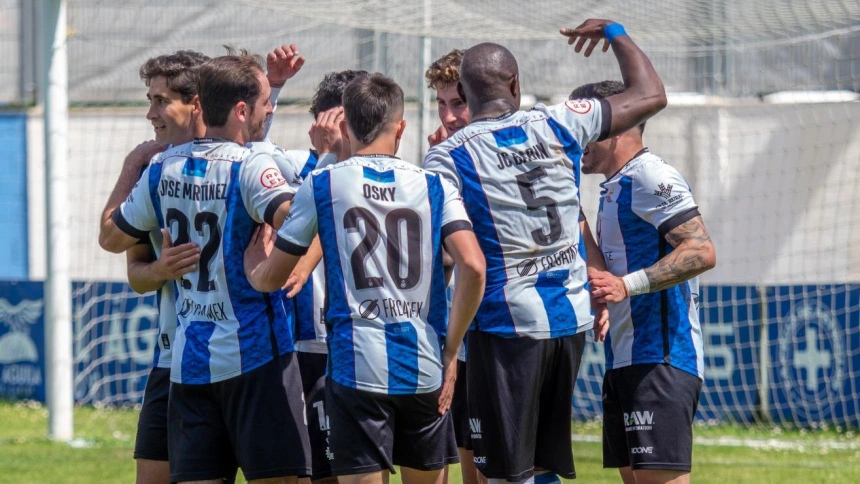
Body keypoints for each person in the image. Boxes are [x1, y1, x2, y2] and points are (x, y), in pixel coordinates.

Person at [422, 19, 667, 484]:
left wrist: (449, 347)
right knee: (540, 466)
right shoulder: (562, 119)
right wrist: (615, 32)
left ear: (467, 95)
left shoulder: (450, 155)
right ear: (514, 84)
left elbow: (453, 253)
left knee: (504, 474)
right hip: (568, 322)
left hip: (506, 327)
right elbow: (651, 93)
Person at [243, 73, 486, 484]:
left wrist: (253, 265)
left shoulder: (324, 183)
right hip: (424, 365)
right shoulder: (436, 184)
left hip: (357, 370)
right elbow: (474, 267)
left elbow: (271, 279)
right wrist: (451, 350)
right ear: (401, 126)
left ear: (346, 125)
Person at [98, 52, 311, 484]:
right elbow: (303, 218)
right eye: (151, 99)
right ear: (237, 108)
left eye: (161, 101)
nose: (151, 112)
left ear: (197, 103)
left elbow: (111, 235)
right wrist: (271, 271)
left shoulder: (159, 170)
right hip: (233, 355)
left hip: (193, 360)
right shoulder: (240, 165)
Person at [570, 80, 716, 484]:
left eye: (586, 124)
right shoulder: (614, 186)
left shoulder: (650, 175)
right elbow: (607, 271)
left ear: (615, 126)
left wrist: (626, 286)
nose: (576, 134)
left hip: (663, 362)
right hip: (624, 359)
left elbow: (701, 251)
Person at [285, 69, 368, 484]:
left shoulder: (386, 175)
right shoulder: (300, 172)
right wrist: (325, 157)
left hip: (369, 339)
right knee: (316, 469)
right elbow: (296, 226)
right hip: (309, 342)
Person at [424, 48, 486, 484]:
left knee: (506, 468)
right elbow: (445, 257)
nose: (448, 116)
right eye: (442, 104)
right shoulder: (444, 161)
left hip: (506, 332)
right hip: (463, 333)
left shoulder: (499, 158)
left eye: (458, 103)